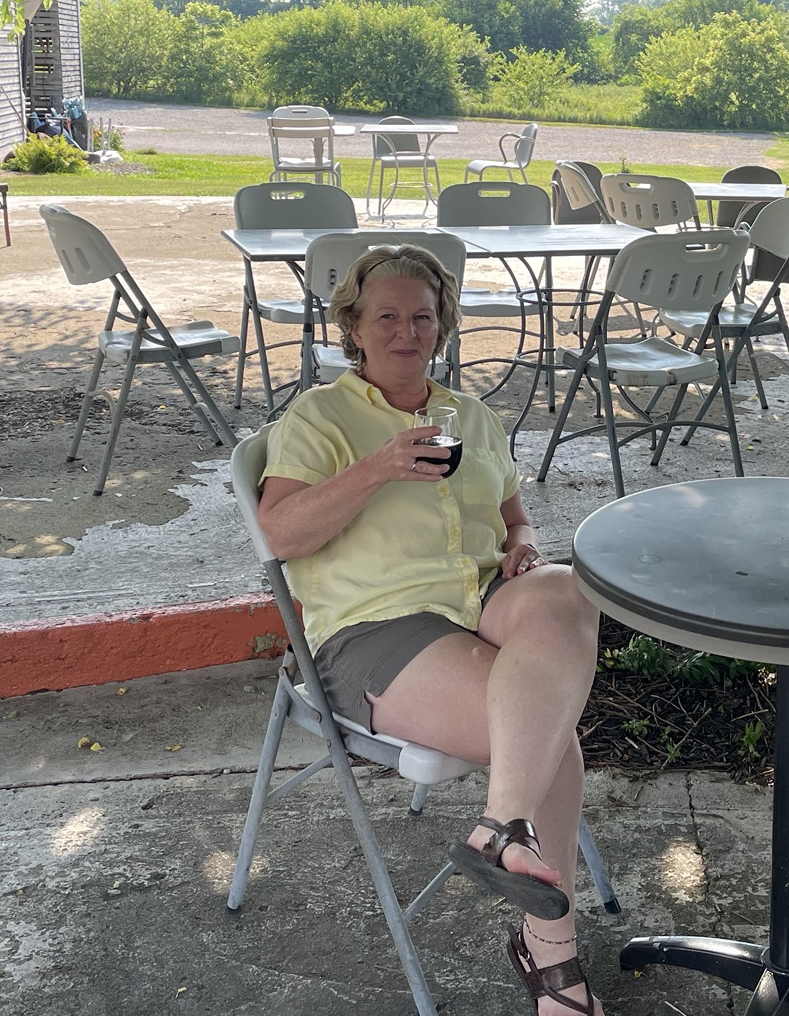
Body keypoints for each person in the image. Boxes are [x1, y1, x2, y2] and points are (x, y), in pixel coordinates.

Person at [258, 244, 604, 1016]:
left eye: (423, 317)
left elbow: (514, 515)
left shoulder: (471, 416)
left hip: (480, 597)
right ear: (354, 328)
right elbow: (279, 534)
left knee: (567, 587)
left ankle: (502, 827)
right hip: (374, 626)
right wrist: (377, 467)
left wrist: (523, 545)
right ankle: (551, 956)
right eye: (387, 316)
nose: (407, 331)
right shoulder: (319, 417)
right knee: (548, 736)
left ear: (443, 327)